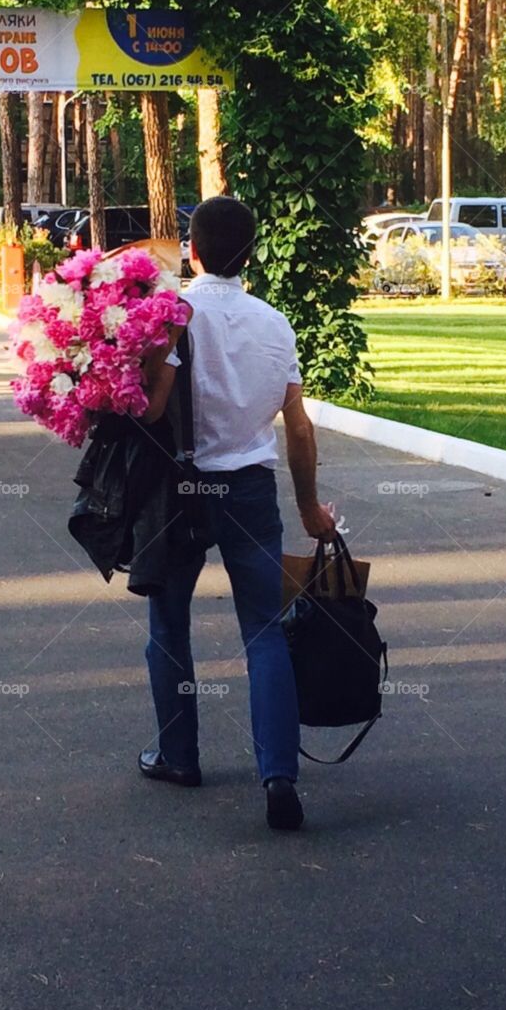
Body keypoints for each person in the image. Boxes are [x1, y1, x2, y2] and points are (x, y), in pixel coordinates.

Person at [137, 196, 337, 831]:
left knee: (169, 626)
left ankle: (178, 755)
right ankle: (279, 775)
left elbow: (147, 411)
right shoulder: (275, 325)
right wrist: (308, 508)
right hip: (250, 489)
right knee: (265, 633)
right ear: (251, 254)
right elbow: (299, 428)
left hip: (178, 490)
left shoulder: (174, 317)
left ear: (191, 250)